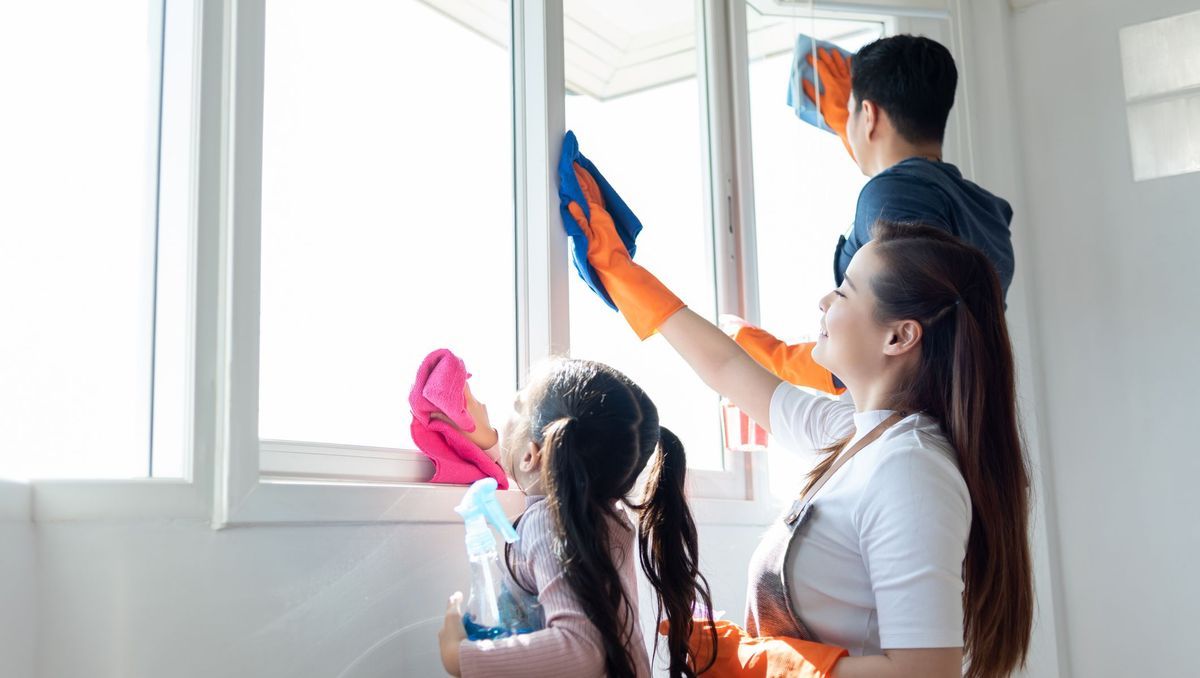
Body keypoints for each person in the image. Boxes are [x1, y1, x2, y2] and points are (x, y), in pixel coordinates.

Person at [565, 161, 1034, 677]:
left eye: (846, 291)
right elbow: (728, 369)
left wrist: (751, 661)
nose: (824, 300)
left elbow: (927, 673)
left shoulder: (912, 470)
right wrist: (621, 272)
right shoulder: (855, 434)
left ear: (898, 337)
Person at [735, 34, 1016, 396]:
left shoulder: (891, 193)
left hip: (910, 420)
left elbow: (898, 333)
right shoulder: (987, 208)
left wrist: (766, 354)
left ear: (868, 115)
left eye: (851, 108)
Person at [436, 359, 718, 678]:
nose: (503, 409)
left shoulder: (549, 523)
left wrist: (462, 657)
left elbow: (582, 648)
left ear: (531, 456)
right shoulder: (602, 516)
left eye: (517, 406)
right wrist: (487, 441)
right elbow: (546, 477)